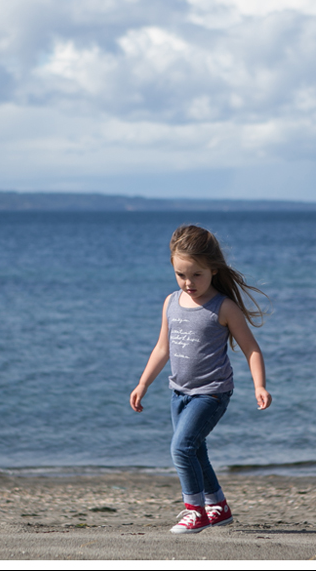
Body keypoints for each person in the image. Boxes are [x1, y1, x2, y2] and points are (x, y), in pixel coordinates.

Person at [130, 224, 272, 534]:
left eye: (197, 275)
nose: (188, 282)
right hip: (178, 393)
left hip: (212, 393)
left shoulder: (224, 307)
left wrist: (259, 385)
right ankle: (218, 507)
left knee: (181, 448)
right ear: (172, 267)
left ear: (213, 270)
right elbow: (162, 348)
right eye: (181, 274)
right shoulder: (171, 303)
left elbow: (251, 349)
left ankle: (195, 511)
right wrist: (143, 383)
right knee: (195, 449)